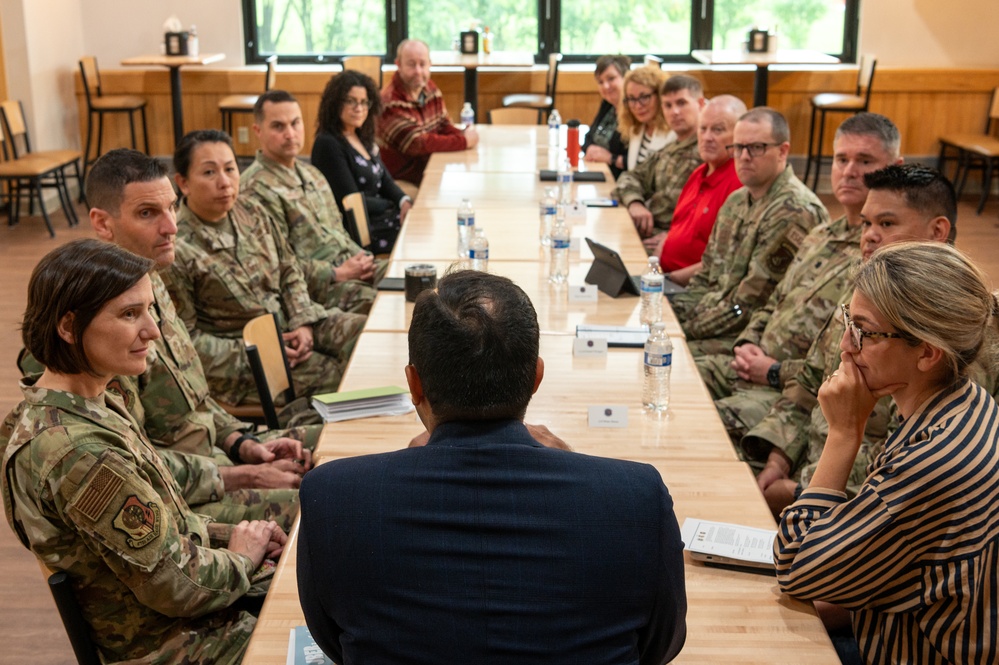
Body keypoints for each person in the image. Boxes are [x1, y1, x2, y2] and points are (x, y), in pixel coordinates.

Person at [297, 270, 687, 664]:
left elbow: (335, 643)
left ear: (414, 385)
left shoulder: (330, 499)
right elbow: (659, 647)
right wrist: (572, 465)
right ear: (536, 377)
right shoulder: (636, 499)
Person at [1, 238, 286, 664]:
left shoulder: (88, 401)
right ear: (68, 326)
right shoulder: (79, 454)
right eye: (130, 314)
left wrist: (243, 539)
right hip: (178, 643)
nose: (152, 330)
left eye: (149, 310)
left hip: (190, 615)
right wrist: (244, 559)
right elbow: (176, 586)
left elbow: (167, 532)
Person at [774, 240, 999, 664]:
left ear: (927, 353)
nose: (845, 345)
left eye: (864, 331)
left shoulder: (934, 462)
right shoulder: (968, 402)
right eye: (848, 320)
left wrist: (844, 432)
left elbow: (796, 567)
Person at [85, 148, 318, 529]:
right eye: (148, 214)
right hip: (179, 502)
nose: (172, 227)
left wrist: (242, 444)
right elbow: (133, 464)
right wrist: (243, 474)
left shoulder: (152, 283)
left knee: (338, 448)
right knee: (327, 505)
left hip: (216, 456)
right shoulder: (96, 326)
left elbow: (195, 398)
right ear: (102, 223)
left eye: (172, 209)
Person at [746, 164, 956, 516]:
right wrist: (778, 460)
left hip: (858, 505)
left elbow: (906, 464)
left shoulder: (942, 330)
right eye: (866, 223)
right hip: (810, 469)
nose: (869, 236)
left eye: (886, 224)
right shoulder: (865, 292)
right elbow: (809, 381)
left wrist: (800, 489)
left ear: (937, 231)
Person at [697, 114, 902, 442]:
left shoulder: (883, 257)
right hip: (750, 364)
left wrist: (773, 371)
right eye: (841, 159)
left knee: (697, 423)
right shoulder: (820, 235)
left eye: (865, 161)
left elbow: (840, 362)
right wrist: (747, 343)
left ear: (895, 166)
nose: (849, 171)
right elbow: (773, 300)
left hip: (790, 392)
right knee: (671, 375)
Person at [162, 129, 366, 407]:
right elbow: (186, 341)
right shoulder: (177, 248)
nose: (224, 182)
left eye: (230, 169)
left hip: (291, 324)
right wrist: (260, 349)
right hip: (245, 359)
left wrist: (302, 321)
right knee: (347, 380)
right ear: (183, 183)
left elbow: (288, 269)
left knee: (366, 339)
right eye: (209, 173)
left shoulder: (252, 211)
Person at [670, 107, 828, 352]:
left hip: (747, 338)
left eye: (756, 148)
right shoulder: (736, 201)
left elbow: (747, 306)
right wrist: (672, 314)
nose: (744, 157)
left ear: (782, 151)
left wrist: (681, 329)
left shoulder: (794, 211)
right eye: (737, 148)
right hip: (712, 318)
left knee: (665, 356)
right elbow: (706, 276)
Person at [241, 89, 387, 313]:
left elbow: (338, 232)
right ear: (258, 131)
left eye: (295, 123)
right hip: (319, 289)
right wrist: (337, 273)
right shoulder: (253, 190)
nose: (290, 134)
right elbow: (274, 266)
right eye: (278, 126)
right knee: (388, 308)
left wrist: (362, 259)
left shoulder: (312, 175)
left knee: (414, 277)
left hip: (352, 268)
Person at [312, 71, 413, 254]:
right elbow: (351, 202)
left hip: (379, 217)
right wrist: (391, 206)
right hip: (357, 230)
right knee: (415, 235)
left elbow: (386, 180)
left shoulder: (361, 136)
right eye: (350, 101)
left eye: (364, 102)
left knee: (418, 221)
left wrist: (403, 201)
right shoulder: (328, 144)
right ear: (335, 103)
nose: (358, 108)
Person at [654, 94, 746, 285]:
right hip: (665, 276)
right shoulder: (698, 173)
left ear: (739, 136)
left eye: (718, 130)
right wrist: (652, 269)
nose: (707, 137)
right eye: (703, 129)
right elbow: (675, 230)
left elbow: (722, 263)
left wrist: (666, 281)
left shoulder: (739, 185)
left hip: (690, 287)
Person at [613, 74, 705, 252]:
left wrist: (675, 236)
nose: (674, 112)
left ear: (700, 104)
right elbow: (630, 177)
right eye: (668, 105)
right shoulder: (669, 149)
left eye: (681, 103)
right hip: (647, 233)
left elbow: (708, 215)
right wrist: (635, 203)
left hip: (673, 245)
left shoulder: (706, 152)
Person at [378, 39, 478, 185]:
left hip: (431, 169)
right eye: (411, 65)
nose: (418, 71)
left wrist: (462, 133)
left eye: (422, 64)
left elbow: (443, 125)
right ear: (398, 65)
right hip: (402, 181)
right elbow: (418, 144)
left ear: (430, 64)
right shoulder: (389, 102)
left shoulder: (429, 88)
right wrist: (463, 141)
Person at [581, 54, 630, 178]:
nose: (605, 86)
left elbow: (636, 162)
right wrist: (591, 150)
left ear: (626, 77)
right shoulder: (608, 105)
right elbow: (588, 138)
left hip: (619, 180)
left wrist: (610, 158)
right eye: (600, 82)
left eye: (611, 79)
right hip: (598, 172)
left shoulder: (634, 111)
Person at [617, 64, 670, 172]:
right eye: (631, 99)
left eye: (644, 97)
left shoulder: (673, 134)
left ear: (660, 96)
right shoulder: (636, 129)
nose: (637, 106)